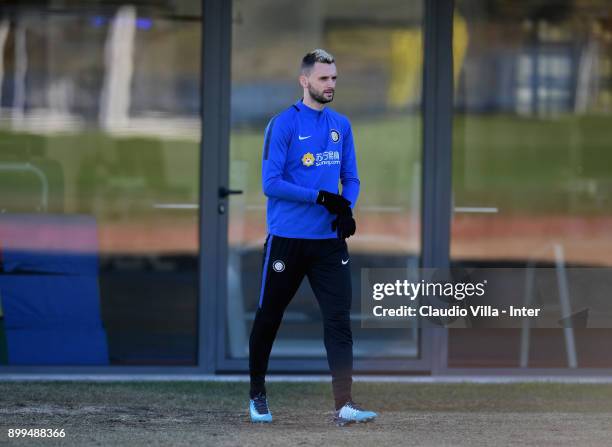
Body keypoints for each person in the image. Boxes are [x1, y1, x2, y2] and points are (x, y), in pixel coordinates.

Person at [248, 49, 377, 426]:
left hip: (328, 243)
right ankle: (257, 396)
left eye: (334, 78)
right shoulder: (284, 124)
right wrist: (321, 197)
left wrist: (345, 207)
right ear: (305, 81)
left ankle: (344, 404)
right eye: (324, 78)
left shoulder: (341, 125)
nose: (331, 84)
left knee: (338, 321)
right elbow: (271, 184)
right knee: (269, 316)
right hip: (287, 240)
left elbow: (350, 177)